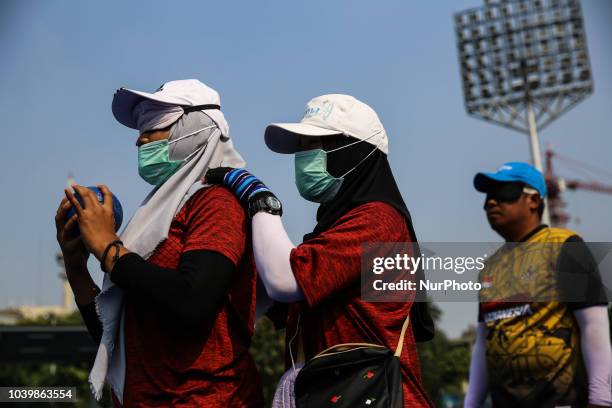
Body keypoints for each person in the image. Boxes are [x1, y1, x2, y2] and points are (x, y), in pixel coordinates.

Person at [207, 94, 435, 407]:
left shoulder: (378, 220)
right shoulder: (329, 231)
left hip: (374, 397)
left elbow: (285, 280)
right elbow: (269, 298)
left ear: (353, 151)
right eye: (300, 147)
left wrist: (261, 203)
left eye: (311, 145)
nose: (302, 158)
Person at [54, 79, 264, 407]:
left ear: (196, 128)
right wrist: (77, 264)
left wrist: (109, 248)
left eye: (155, 123)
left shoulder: (216, 202)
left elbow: (192, 301)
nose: (140, 138)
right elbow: (117, 338)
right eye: (140, 127)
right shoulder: (155, 219)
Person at [463, 162, 611, 408]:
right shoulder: (489, 268)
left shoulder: (566, 246)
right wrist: (470, 405)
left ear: (533, 200)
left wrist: (602, 399)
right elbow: (482, 343)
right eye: (488, 196)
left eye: (503, 193)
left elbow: (594, 325)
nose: (490, 202)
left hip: (562, 401)